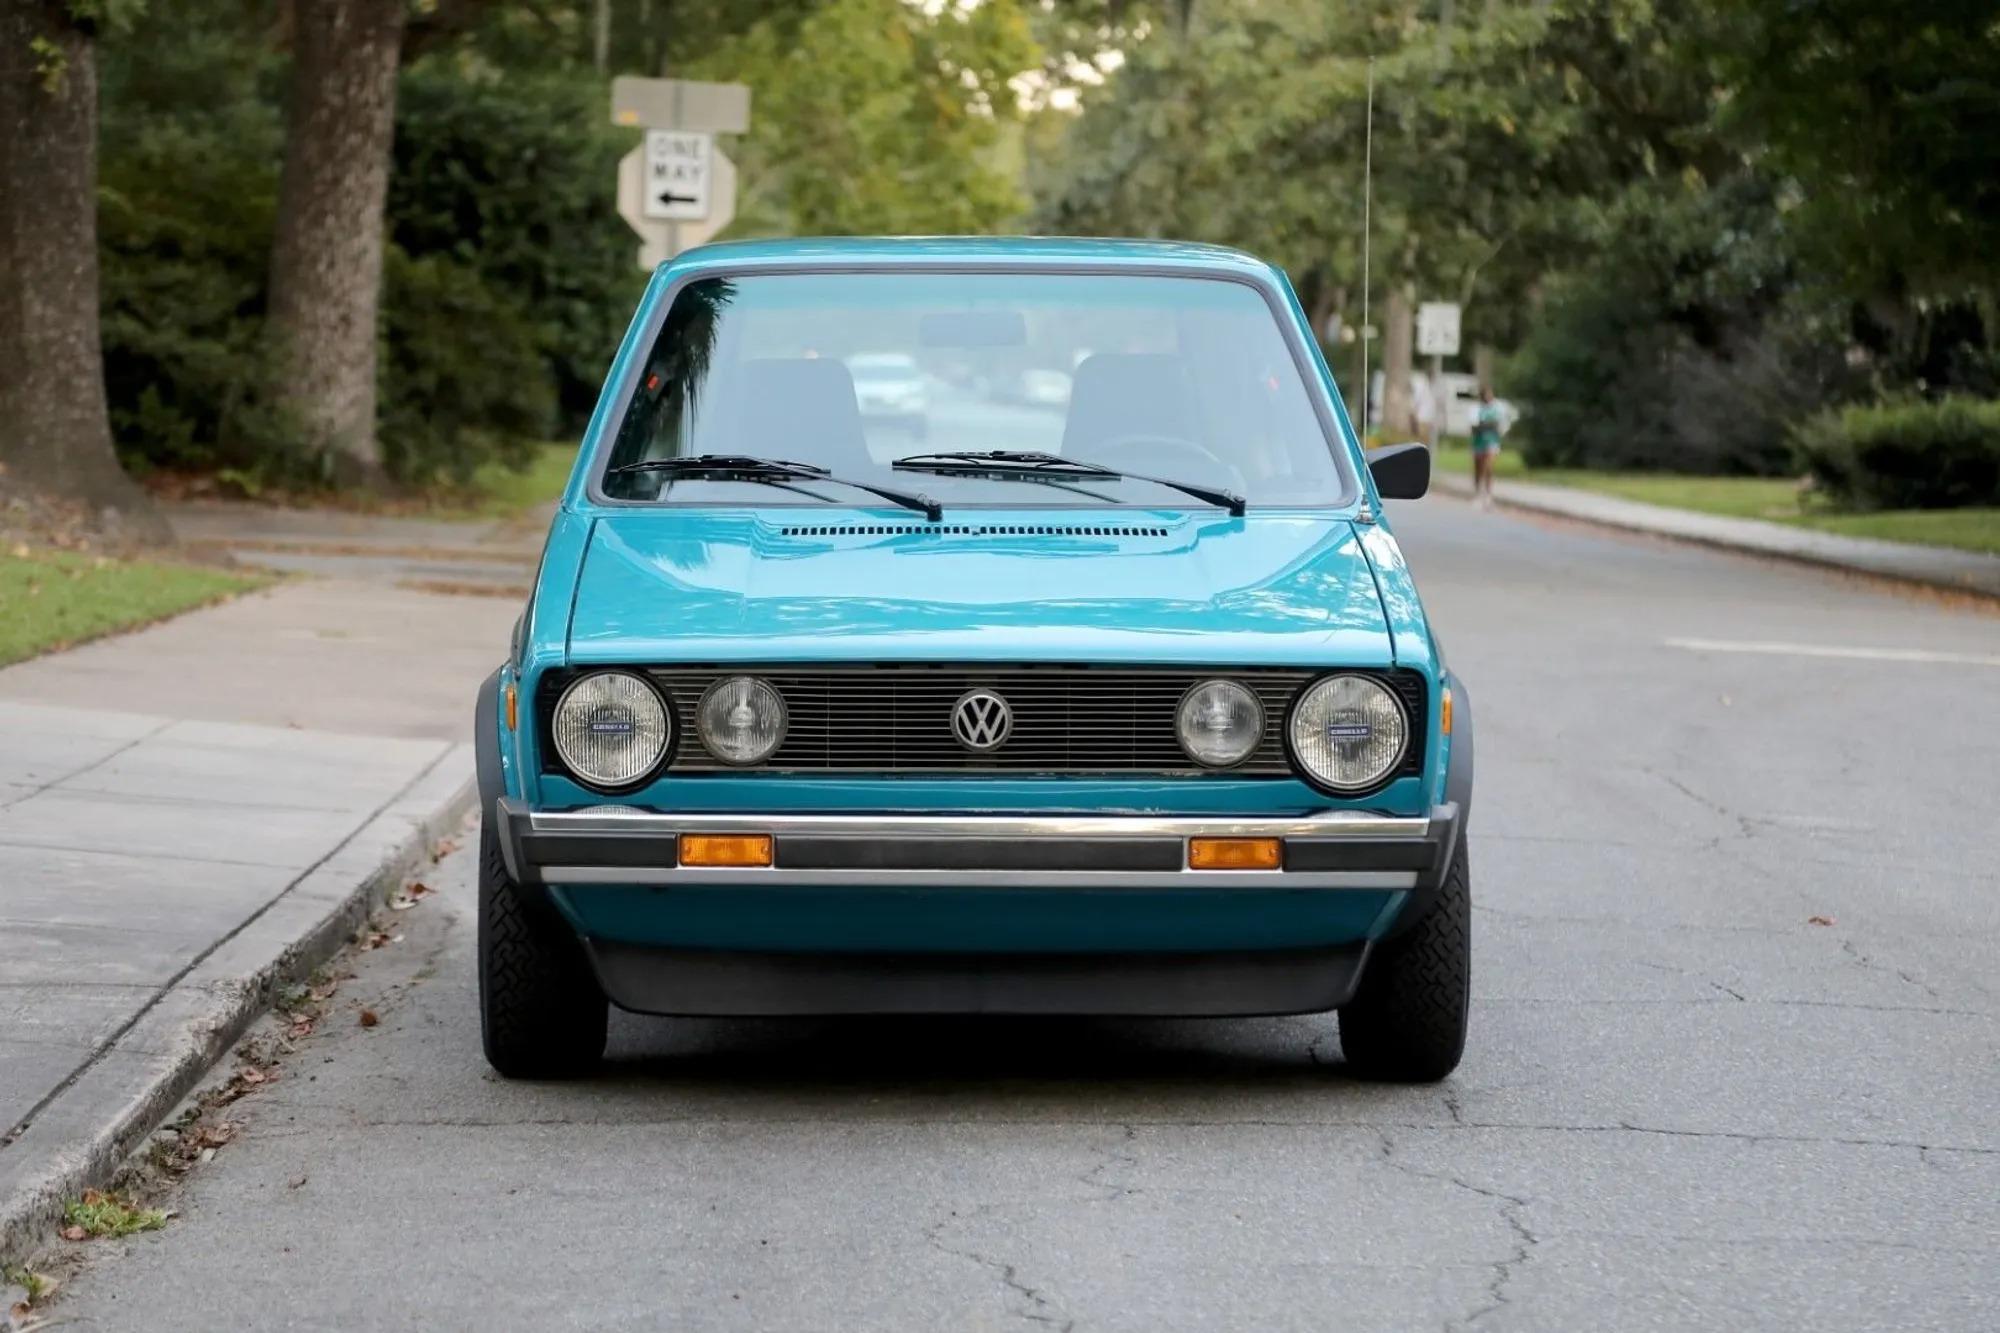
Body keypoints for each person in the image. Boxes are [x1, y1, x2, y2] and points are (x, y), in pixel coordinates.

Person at [1469, 384, 1505, 510]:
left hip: (1492, 441)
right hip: (1479, 442)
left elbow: (1499, 424)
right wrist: (1486, 425)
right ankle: (1478, 492)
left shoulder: (1497, 407)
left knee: (1489, 467)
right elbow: (1473, 426)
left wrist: (1486, 425)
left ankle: (1489, 494)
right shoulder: (1476, 408)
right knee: (1478, 469)